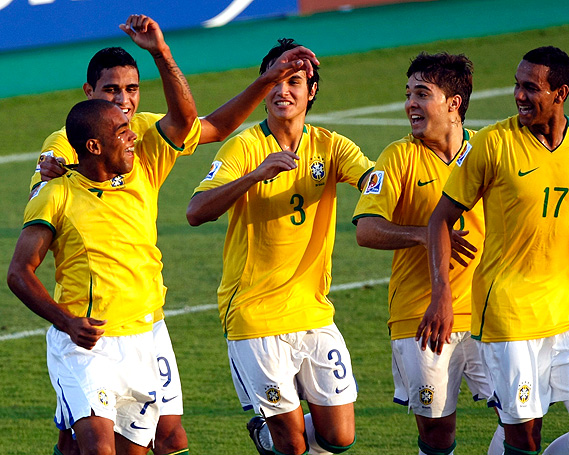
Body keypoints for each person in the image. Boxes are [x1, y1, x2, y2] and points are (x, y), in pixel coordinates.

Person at [27, 15, 319, 455]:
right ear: (89, 92)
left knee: (166, 437)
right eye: (111, 90)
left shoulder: (143, 134)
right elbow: (47, 184)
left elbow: (211, 125)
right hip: (93, 324)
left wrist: (164, 54)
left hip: (147, 321)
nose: (123, 100)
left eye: (131, 89)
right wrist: (49, 170)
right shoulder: (71, 139)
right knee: (84, 441)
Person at [6, 21, 201, 452]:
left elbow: (192, 122)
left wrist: (163, 53)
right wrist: (66, 321)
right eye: (121, 132)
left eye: (131, 92)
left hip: (142, 334)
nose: (133, 135)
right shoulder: (57, 189)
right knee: (98, 447)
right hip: (85, 342)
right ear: (94, 146)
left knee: (151, 443)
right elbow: (19, 272)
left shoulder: (140, 162)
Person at [186, 38, 374, 455]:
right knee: (292, 446)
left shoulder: (331, 145)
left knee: (339, 437)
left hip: (312, 310)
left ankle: (267, 434)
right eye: (274, 81)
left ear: (312, 90)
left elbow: (372, 181)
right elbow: (196, 211)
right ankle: (271, 433)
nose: (282, 90)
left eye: (294, 81)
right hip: (255, 314)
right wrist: (254, 176)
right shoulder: (244, 147)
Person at [421, 46, 569, 455]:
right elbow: (440, 220)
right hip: (510, 316)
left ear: (560, 93)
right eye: (517, 85)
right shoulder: (493, 143)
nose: (519, 95)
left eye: (531, 88)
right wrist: (442, 293)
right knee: (524, 440)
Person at [352, 52, 503, 455]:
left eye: (421, 94)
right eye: (408, 94)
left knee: (520, 420)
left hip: (490, 314)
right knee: (437, 436)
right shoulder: (398, 156)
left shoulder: (487, 149)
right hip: (420, 317)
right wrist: (428, 235)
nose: (410, 104)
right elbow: (366, 229)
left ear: (454, 104)